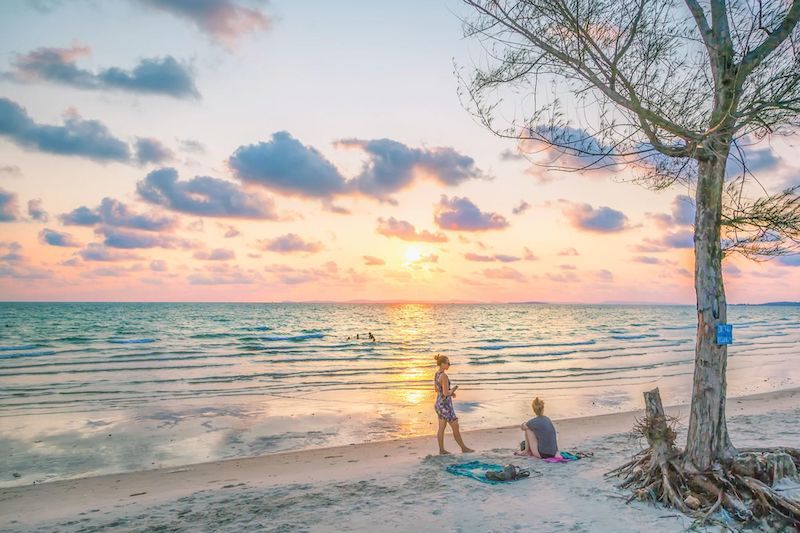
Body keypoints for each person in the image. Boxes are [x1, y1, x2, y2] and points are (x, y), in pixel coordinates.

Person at [433, 354, 473, 455]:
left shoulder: (437, 374)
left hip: (439, 403)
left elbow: (437, 390)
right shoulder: (444, 376)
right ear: (442, 364)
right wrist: (453, 389)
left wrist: (450, 392)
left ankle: (442, 450)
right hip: (446, 406)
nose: (449, 365)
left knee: (441, 428)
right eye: (448, 363)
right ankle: (464, 448)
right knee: (455, 426)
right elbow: (446, 393)